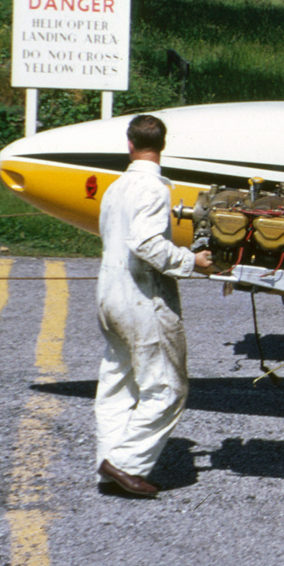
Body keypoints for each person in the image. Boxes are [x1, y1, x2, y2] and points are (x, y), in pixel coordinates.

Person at [94, 114, 212, 498]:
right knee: (166, 388)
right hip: (141, 298)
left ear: (129, 145)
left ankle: (108, 464)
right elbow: (145, 243)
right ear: (163, 145)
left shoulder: (115, 188)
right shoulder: (152, 189)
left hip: (109, 294)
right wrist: (192, 261)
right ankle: (125, 464)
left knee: (118, 381)